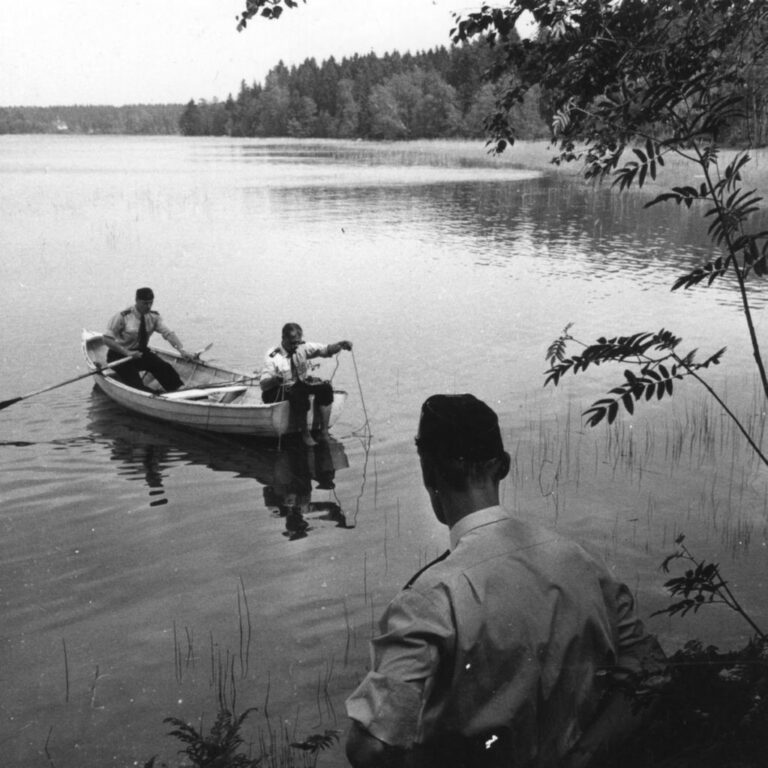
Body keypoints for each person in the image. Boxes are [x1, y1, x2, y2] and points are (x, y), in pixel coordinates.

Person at [345, 394, 666, 768]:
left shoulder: (430, 599)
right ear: (504, 466)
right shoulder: (579, 561)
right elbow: (650, 666)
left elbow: (371, 748)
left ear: (428, 473)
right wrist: (584, 755)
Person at [260, 322, 353, 445]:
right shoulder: (273, 355)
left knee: (325, 388)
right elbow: (264, 385)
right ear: (283, 338)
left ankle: (324, 433)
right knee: (299, 392)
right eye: (292, 343)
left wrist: (341, 345)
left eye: (297, 342)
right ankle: (305, 434)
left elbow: (325, 349)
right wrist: (275, 379)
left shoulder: (302, 347)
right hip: (276, 391)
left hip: (298, 386)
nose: (295, 346)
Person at [103, 287, 194, 392]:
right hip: (119, 356)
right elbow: (106, 339)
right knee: (135, 384)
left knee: (164, 367)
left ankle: (179, 390)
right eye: (145, 303)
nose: (148, 306)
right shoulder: (123, 316)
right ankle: (153, 396)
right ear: (136, 301)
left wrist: (181, 350)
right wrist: (127, 352)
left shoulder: (153, 316)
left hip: (141, 353)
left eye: (151, 303)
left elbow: (168, 334)